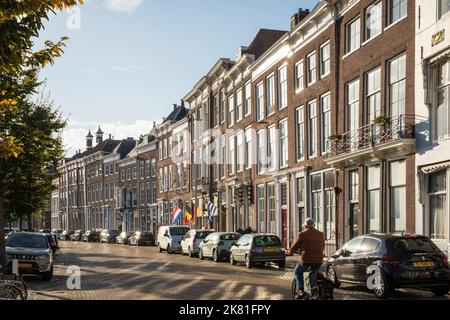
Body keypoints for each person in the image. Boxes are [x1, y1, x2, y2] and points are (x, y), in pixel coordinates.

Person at [286, 218, 325, 297]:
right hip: (319, 260)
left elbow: (295, 246)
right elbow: (323, 247)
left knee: (297, 272)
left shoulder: (302, 234)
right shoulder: (321, 234)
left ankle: (301, 290)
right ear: (314, 225)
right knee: (314, 274)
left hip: (306, 260)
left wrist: (289, 253)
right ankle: (314, 290)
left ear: (305, 225)